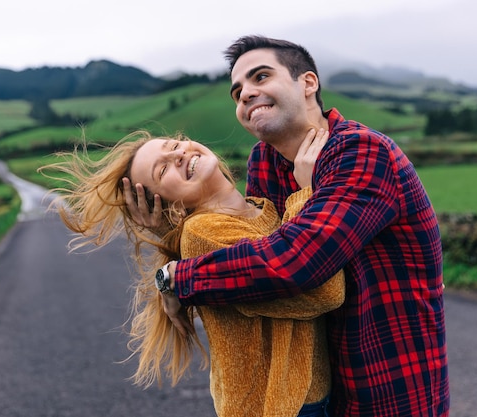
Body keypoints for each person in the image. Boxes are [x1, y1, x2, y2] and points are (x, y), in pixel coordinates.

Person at [125, 36, 450, 416]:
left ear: (308, 83)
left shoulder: (362, 152)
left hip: (388, 389)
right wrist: (170, 235)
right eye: (238, 91)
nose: (246, 93)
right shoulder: (265, 161)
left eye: (260, 76)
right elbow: (257, 253)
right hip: (316, 391)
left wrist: (180, 278)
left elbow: (296, 263)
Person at [40, 129, 345, 417]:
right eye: (162, 171)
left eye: (174, 145)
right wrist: (308, 192)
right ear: (168, 205)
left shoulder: (263, 208)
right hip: (278, 406)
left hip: (306, 398)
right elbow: (323, 291)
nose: (178, 155)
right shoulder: (203, 233)